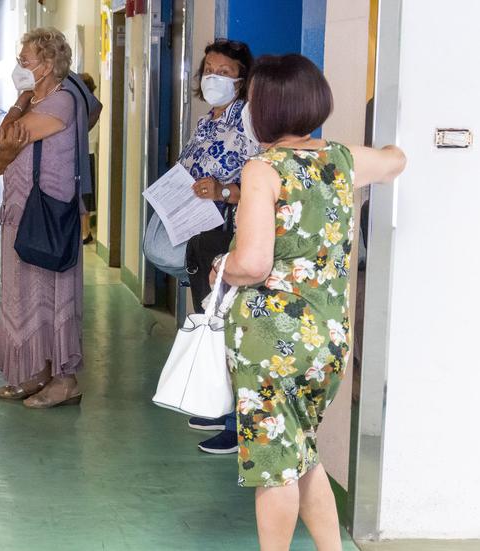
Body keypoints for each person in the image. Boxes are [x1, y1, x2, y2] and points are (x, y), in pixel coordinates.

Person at [213, 54, 405, 550]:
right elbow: (394, 161)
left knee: (275, 470)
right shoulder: (341, 160)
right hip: (328, 340)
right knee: (300, 452)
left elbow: (253, 264)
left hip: (271, 342)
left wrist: (221, 267)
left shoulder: (263, 170)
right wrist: (388, 147)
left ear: (267, 110)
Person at [0, 28, 87, 409]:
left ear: (48, 65)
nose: (20, 66)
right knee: (26, 291)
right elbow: (2, 157)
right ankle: (41, 370)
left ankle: (66, 380)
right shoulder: (40, 99)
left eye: (26, 60)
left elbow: (8, 136)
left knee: (53, 290)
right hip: (21, 210)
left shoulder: (61, 102)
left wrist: (18, 102)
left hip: (48, 212)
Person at [177, 39, 258, 454]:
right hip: (201, 231)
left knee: (231, 325)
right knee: (208, 319)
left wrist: (225, 191)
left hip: (231, 228)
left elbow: (262, 182)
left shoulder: (250, 120)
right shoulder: (206, 120)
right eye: (209, 68)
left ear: (242, 80)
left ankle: (236, 425)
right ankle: (217, 404)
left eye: (225, 72)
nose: (214, 77)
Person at [79, 73, 98, 244]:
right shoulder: (89, 105)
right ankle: (83, 231)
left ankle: (85, 232)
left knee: (83, 195)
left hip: (85, 154)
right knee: (83, 194)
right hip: (86, 154)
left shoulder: (90, 107)